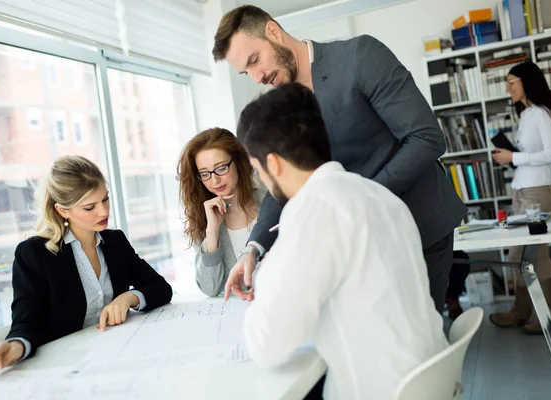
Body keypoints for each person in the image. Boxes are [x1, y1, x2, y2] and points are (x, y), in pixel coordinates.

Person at [213, 5, 466, 313]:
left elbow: (426, 139)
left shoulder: (360, 57)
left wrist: (354, 203)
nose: (257, 77)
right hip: (357, 247)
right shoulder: (280, 106)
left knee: (417, 345)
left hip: (418, 226)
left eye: (255, 60)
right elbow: (282, 184)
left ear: (273, 32)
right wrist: (252, 248)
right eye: (245, 72)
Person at [233, 82, 447, 399]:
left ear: (273, 163)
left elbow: (268, 344)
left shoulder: (313, 209)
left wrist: (265, 274)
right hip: (430, 381)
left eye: (256, 169)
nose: (261, 179)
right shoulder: (377, 195)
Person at [0, 155, 172, 379]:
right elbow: (27, 321)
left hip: (116, 358)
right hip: (66, 371)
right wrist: (14, 347)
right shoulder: (34, 254)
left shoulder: (115, 241)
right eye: (89, 207)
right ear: (62, 211)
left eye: (105, 199)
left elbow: (161, 288)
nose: (103, 212)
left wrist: (128, 298)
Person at [491, 62, 551, 334]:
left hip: (539, 191)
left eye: (511, 82)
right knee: (519, 253)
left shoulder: (541, 114)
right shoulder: (527, 114)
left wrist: (514, 157)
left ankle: (548, 314)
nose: (508, 88)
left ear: (526, 82)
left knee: (534, 254)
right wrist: (509, 157)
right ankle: (522, 311)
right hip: (522, 189)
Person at [177, 128, 266, 297]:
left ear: (238, 162)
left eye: (221, 168)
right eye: (205, 174)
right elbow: (210, 289)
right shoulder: (204, 220)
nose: (215, 180)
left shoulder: (270, 203)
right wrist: (212, 231)